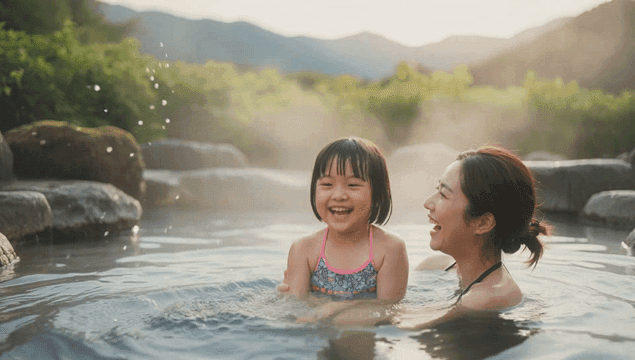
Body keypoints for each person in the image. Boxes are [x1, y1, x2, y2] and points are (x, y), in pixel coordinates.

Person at [400, 145, 550, 330]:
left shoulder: (488, 296)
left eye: (443, 195)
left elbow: (400, 326)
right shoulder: (436, 266)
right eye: (436, 189)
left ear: (483, 223)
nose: (428, 203)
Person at [280, 137, 408, 314]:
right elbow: (296, 308)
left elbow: (390, 310)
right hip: (318, 335)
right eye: (327, 184)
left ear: (378, 193)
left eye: (353, 185)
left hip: (366, 332)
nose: (338, 195)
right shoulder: (304, 249)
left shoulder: (389, 248)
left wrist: (338, 308)